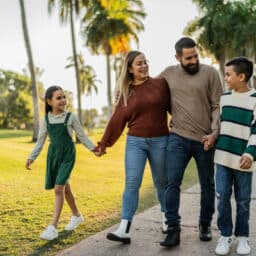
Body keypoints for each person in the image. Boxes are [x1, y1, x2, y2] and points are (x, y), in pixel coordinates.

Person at [96, 50, 171, 243]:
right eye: (139, 63)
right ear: (129, 69)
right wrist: (104, 143)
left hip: (161, 140)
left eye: (145, 62)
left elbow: (175, 108)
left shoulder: (160, 84)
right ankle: (124, 228)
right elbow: (117, 119)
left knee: (162, 182)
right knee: (131, 183)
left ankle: (167, 219)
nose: (144, 66)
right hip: (135, 142)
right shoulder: (126, 92)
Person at [159, 37, 223, 247]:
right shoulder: (168, 74)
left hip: (204, 139)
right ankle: (173, 229)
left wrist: (214, 134)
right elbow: (149, 90)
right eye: (188, 58)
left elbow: (217, 106)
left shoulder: (210, 73)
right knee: (172, 182)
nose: (193, 60)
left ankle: (204, 224)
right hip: (177, 136)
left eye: (195, 55)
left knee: (207, 184)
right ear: (178, 57)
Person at [25, 85, 97, 240]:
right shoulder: (45, 120)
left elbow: (82, 136)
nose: (63, 100)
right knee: (65, 188)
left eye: (64, 97)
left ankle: (53, 227)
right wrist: (32, 156)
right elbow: (40, 141)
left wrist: (94, 149)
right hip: (53, 156)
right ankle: (77, 215)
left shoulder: (71, 117)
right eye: (59, 98)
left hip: (67, 155)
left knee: (58, 188)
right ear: (49, 101)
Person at [213, 57, 254, 255]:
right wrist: (212, 137)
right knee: (221, 197)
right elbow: (222, 127)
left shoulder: (255, 100)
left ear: (242, 76)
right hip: (222, 158)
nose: (226, 78)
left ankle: (243, 237)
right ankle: (225, 235)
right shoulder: (224, 98)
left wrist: (250, 153)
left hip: (244, 160)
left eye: (228, 74)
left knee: (243, 201)